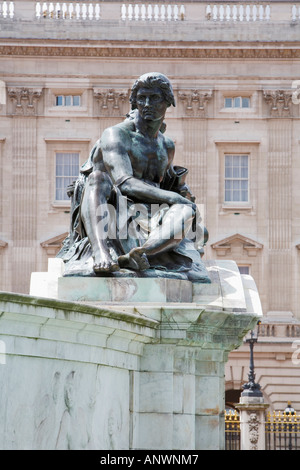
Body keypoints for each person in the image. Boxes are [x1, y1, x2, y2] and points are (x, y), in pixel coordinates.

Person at [58, 72, 210, 282]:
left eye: (154, 98)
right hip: (115, 206)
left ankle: (142, 254)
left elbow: (169, 186)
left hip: (152, 212)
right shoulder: (116, 134)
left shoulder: (167, 145)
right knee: (98, 178)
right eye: (142, 98)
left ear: (168, 102)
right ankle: (100, 252)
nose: (147, 104)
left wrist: (184, 200)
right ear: (134, 102)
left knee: (186, 209)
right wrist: (173, 197)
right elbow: (125, 183)